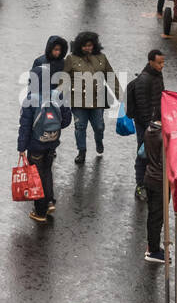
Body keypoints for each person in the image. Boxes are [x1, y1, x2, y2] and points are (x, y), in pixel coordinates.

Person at [17, 51, 72, 223]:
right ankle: (49, 202)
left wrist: (21, 148)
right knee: (47, 172)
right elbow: (66, 119)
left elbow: (25, 126)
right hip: (52, 142)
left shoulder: (30, 98)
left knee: (37, 176)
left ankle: (40, 211)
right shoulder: (57, 95)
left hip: (36, 145)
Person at [63, 30, 121, 163]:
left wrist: (120, 96)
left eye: (90, 45)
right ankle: (81, 151)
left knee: (99, 126)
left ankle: (99, 141)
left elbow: (111, 78)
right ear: (79, 46)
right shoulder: (71, 59)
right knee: (80, 127)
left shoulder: (102, 58)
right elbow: (64, 78)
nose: (87, 48)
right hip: (78, 101)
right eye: (84, 46)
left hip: (97, 100)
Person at [127, 49, 165, 198]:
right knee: (143, 154)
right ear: (151, 62)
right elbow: (143, 108)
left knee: (152, 154)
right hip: (147, 126)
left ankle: (148, 183)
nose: (162, 65)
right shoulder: (144, 80)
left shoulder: (157, 75)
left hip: (155, 123)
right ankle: (140, 185)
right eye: (159, 63)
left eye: (163, 62)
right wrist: (151, 127)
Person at [143, 117, 166, 262]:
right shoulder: (162, 136)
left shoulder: (149, 130)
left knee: (152, 215)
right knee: (156, 217)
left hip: (149, 177)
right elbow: (165, 161)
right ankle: (153, 251)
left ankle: (153, 246)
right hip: (159, 181)